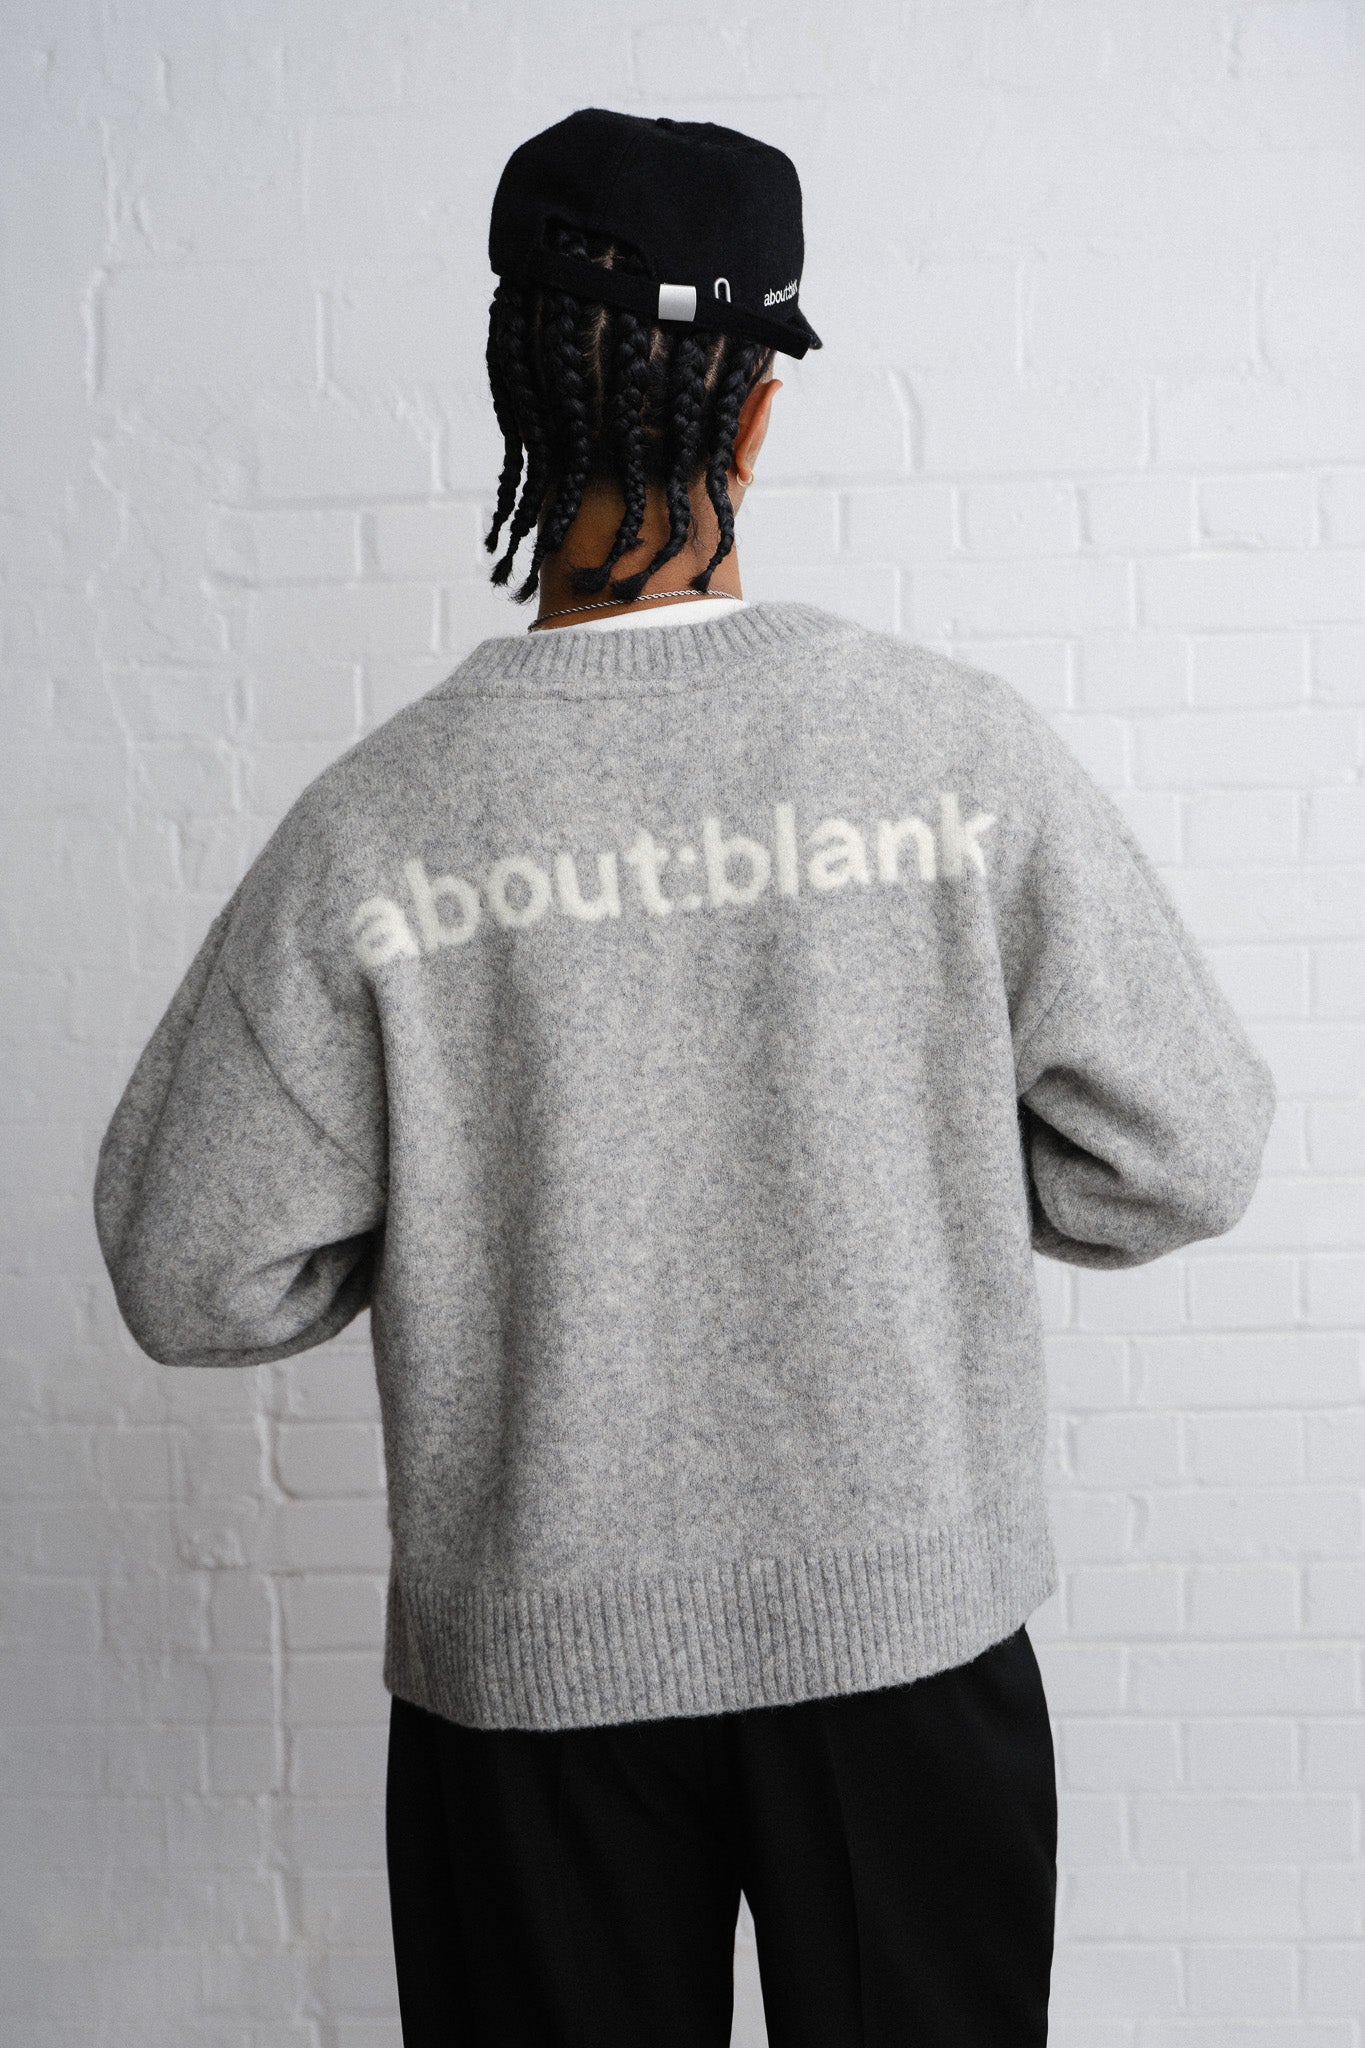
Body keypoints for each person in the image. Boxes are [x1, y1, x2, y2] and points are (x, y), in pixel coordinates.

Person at [91, 108, 1278, 2048]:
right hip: (909, 1637)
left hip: (531, 1683)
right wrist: (906, 1157)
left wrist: (461, 1208)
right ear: (756, 417)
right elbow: (1189, 1148)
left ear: (512, 393)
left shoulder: (379, 827)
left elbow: (188, 1263)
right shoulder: (952, 761)